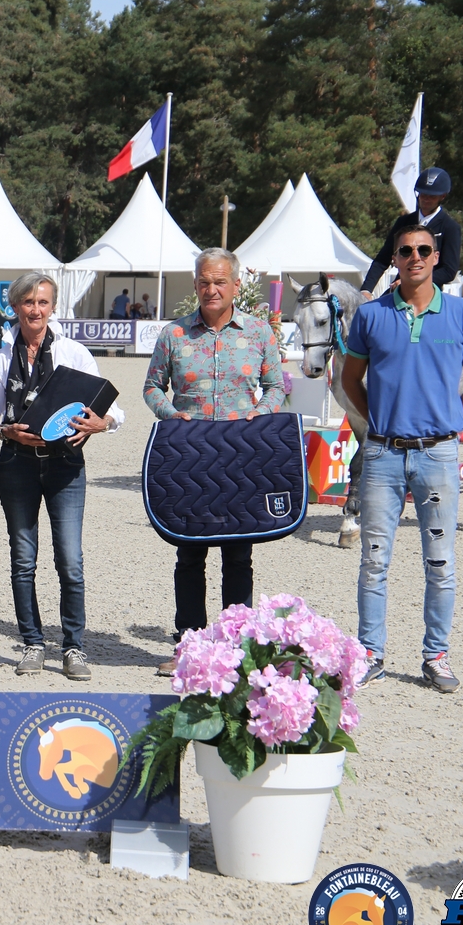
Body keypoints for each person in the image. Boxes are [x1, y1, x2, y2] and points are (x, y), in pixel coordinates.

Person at [340, 223, 463, 693]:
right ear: (395, 259)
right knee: (373, 561)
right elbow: (349, 381)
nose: (415, 257)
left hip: (438, 456)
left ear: (436, 256)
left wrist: (450, 422)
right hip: (383, 454)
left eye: (424, 249)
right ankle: (371, 653)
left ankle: (436, 656)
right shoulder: (371, 316)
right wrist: (379, 420)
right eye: (405, 250)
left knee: (440, 562)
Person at [143, 248, 285, 673]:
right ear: (195, 285)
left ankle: (236, 647)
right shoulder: (173, 334)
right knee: (189, 555)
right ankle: (188, 643)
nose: (212, 289)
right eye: (204, 282)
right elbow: (152, 387)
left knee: (238, 556)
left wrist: (261, 413)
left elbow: (276, 386)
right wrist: (171, 414)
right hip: (190, 460)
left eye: (220, 281)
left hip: (242, 460)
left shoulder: (259, 333)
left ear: (236, 286)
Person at [0, 271, 124, 679]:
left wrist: (102, 423)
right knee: (23, 559)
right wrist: (4, 431)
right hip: (17, 463)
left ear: (53, 306)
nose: (36, 310)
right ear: (15, 307)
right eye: (28, 302)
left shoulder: (74, 353)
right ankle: (32, 643)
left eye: (43, 302)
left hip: (64, 465)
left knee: (70, 560)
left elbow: (113, 410)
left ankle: (73, 647)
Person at [361, 167, 462, 300]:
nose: (426, 199)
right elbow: (383, 259)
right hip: (399, 287)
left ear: (442, 196)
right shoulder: (404, 222)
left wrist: (410, 282)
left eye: (432, 196)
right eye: (423, 195)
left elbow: (448, 270)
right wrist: (366, 289)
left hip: (428, 292)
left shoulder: (450, 227)